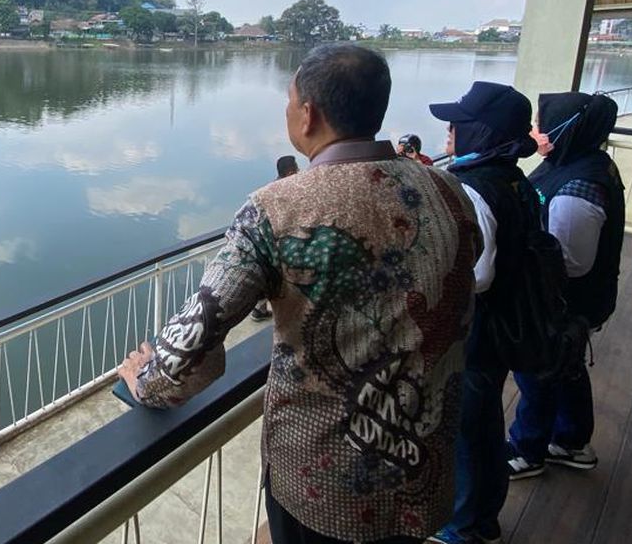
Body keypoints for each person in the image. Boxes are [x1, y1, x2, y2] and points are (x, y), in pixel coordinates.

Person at [119, 44, 481, 544]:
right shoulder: (448, 190)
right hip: (422, 464)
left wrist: (148, 382)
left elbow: (196, 336)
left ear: (307, 114)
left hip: (325, 486)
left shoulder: (277, 208)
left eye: (289, 101)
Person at [427, 81, 540, 544]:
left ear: (481, 133)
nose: (450, 133)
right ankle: (481, 516)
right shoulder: (514, 179)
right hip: (505, 326)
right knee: (485, 419)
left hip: (478, 330)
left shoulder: (474, 190)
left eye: (458, 126)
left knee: (468, 426)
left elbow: (479, 273)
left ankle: (466, 524)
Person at [507, 92, 625, 479]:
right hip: (569, 302)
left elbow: (570, 263)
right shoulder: (579, 163)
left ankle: (528, 449)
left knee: (538, 371)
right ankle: (571, 440)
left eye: (540, 124)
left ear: (566, 129)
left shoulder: (578, 187)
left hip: (560, 301)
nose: (534, 131)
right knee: (566, 365)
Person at [251, 155, 302, 322]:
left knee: (270, 274)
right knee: (277, 275)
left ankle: (259, 309)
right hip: (279, 241)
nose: (299, 171)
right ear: (289, 172)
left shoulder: (270, 188)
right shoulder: (286, 191)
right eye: (296, 168)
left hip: (267, 241)